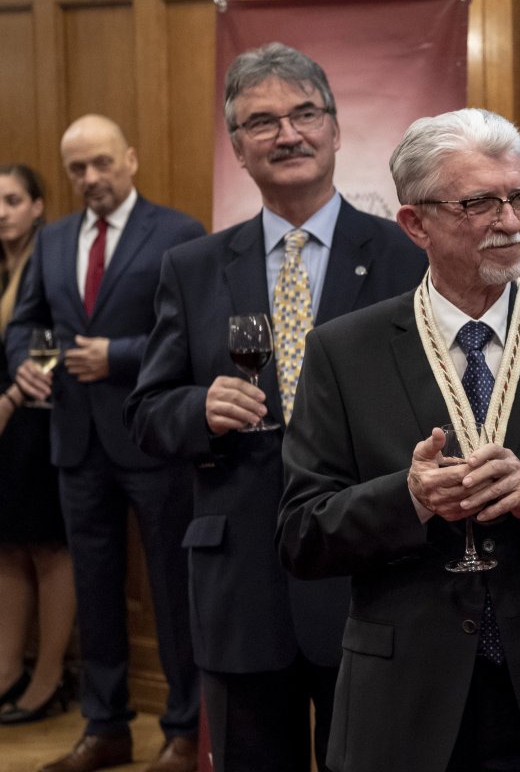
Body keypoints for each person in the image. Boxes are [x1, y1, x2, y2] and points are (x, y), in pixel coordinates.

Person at [275, 107, 520, 772]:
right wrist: (410, 499)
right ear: (415, 223)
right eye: (480, 203)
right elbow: (299, 535)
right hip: (403, 712)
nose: (511, 222)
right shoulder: (345, 352)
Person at [124, 43, 426, 772]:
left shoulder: (403, 257)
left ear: (335, 129)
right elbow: (147, 414)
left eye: (304, 114)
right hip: (240, 589)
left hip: (369, 578)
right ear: (237, 147)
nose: (287, 134)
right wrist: (199, 408)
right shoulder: (193, 268)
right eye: (262, 122)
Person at [7, 117, 205, 772]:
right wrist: (22, 364)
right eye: (76, 169)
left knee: (173, 592)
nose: (89, 178)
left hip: (153, 440)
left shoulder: (176, 233)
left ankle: (184, 729)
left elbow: (195, 335)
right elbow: (28, 320)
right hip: (75, 442)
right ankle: (106, 727)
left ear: (131, 159)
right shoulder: (55, 238)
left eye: (100, 163)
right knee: (94, 591)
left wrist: (118, 356)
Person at [0, 165, 74, 727]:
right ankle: (8, 673)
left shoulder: (48, 260)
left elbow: (47, 349)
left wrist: (8, 397)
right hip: (6, 434)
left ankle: (49, 677)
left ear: (39, 206)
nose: (2, 211)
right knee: (7, 550)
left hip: (38, 425)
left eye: (12, 199)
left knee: (48, 547)